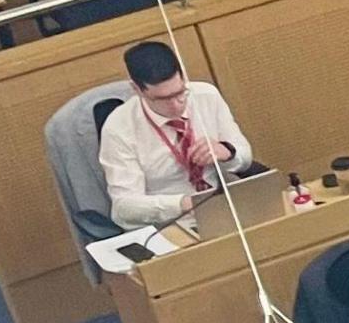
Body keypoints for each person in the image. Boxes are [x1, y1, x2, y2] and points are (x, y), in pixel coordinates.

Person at [99, 39, 250, 229]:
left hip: (221, 212)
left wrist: (228, 152)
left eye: (179, 93)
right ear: (137, 89)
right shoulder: (118, 128)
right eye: (162, 99)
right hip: (164, 225)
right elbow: (124, 207)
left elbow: (245, 158)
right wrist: (183, 204)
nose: (175, 104)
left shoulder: (206, 96)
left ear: (183, 77)